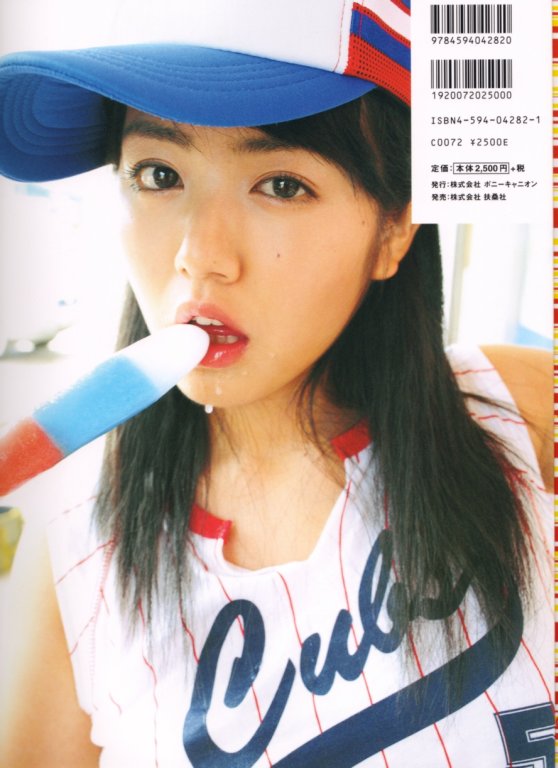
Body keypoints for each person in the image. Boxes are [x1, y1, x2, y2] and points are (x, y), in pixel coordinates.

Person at [0, 2, 553, 766]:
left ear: (395, 227)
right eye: (159, 174)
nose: (201, 255)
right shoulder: (79, 543)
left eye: (282, 185)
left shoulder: (521, 418)